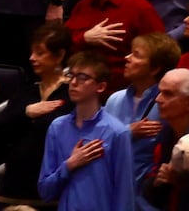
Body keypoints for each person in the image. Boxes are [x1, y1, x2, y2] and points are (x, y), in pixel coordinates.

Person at [36, 49, 134, 209]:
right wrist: (69, 165)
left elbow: (124, 197)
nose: (73, 83)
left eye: (82, 78)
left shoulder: (116, 132)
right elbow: (45, 191)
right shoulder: (57, 127)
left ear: (100, 87)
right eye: (71, 76)